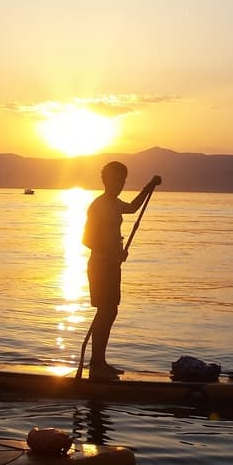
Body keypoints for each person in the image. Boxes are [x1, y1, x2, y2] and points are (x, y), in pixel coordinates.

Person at [81, 161, 161, 380]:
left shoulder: (115, 204)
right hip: (100, 266)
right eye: (116, 179)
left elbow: (133, 208)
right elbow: (87, 240)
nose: (120, 184)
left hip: (112, 266)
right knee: (105, 311)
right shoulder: (98, 206)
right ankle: (96, 364)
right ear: (105, 180)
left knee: (111, 311)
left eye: (123, 180)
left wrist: (149, 187)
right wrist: (112, 253)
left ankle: (100, 361)